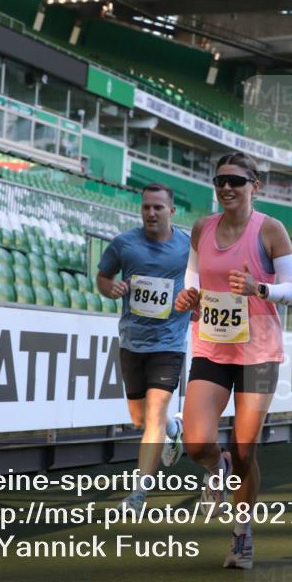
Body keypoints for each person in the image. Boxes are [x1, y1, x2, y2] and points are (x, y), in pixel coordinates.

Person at [174, 151, 292, 570]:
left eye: (236, 181)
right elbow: (194, 276)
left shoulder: (270, 230)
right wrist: (189, 295)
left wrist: (259, 289)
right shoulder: (202, 228)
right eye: (220, 181)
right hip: (212, 346)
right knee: (196, 443)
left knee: (246, 451)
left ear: (254, 186)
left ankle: (241, 534)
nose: (227, 188)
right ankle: (218, 465)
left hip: (258, 353)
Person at [97, 183, 190, 513]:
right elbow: (103, 277)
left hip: (170, 343)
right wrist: (111, 289)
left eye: (158, 207)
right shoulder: (124, 244)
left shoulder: (188, 247)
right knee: (140, 418)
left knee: (154, 414)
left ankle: (138, 494)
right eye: (146, 207)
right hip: (133, 342)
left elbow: (203, 281)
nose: (151, 212)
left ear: (171, 211)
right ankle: (174, 428)